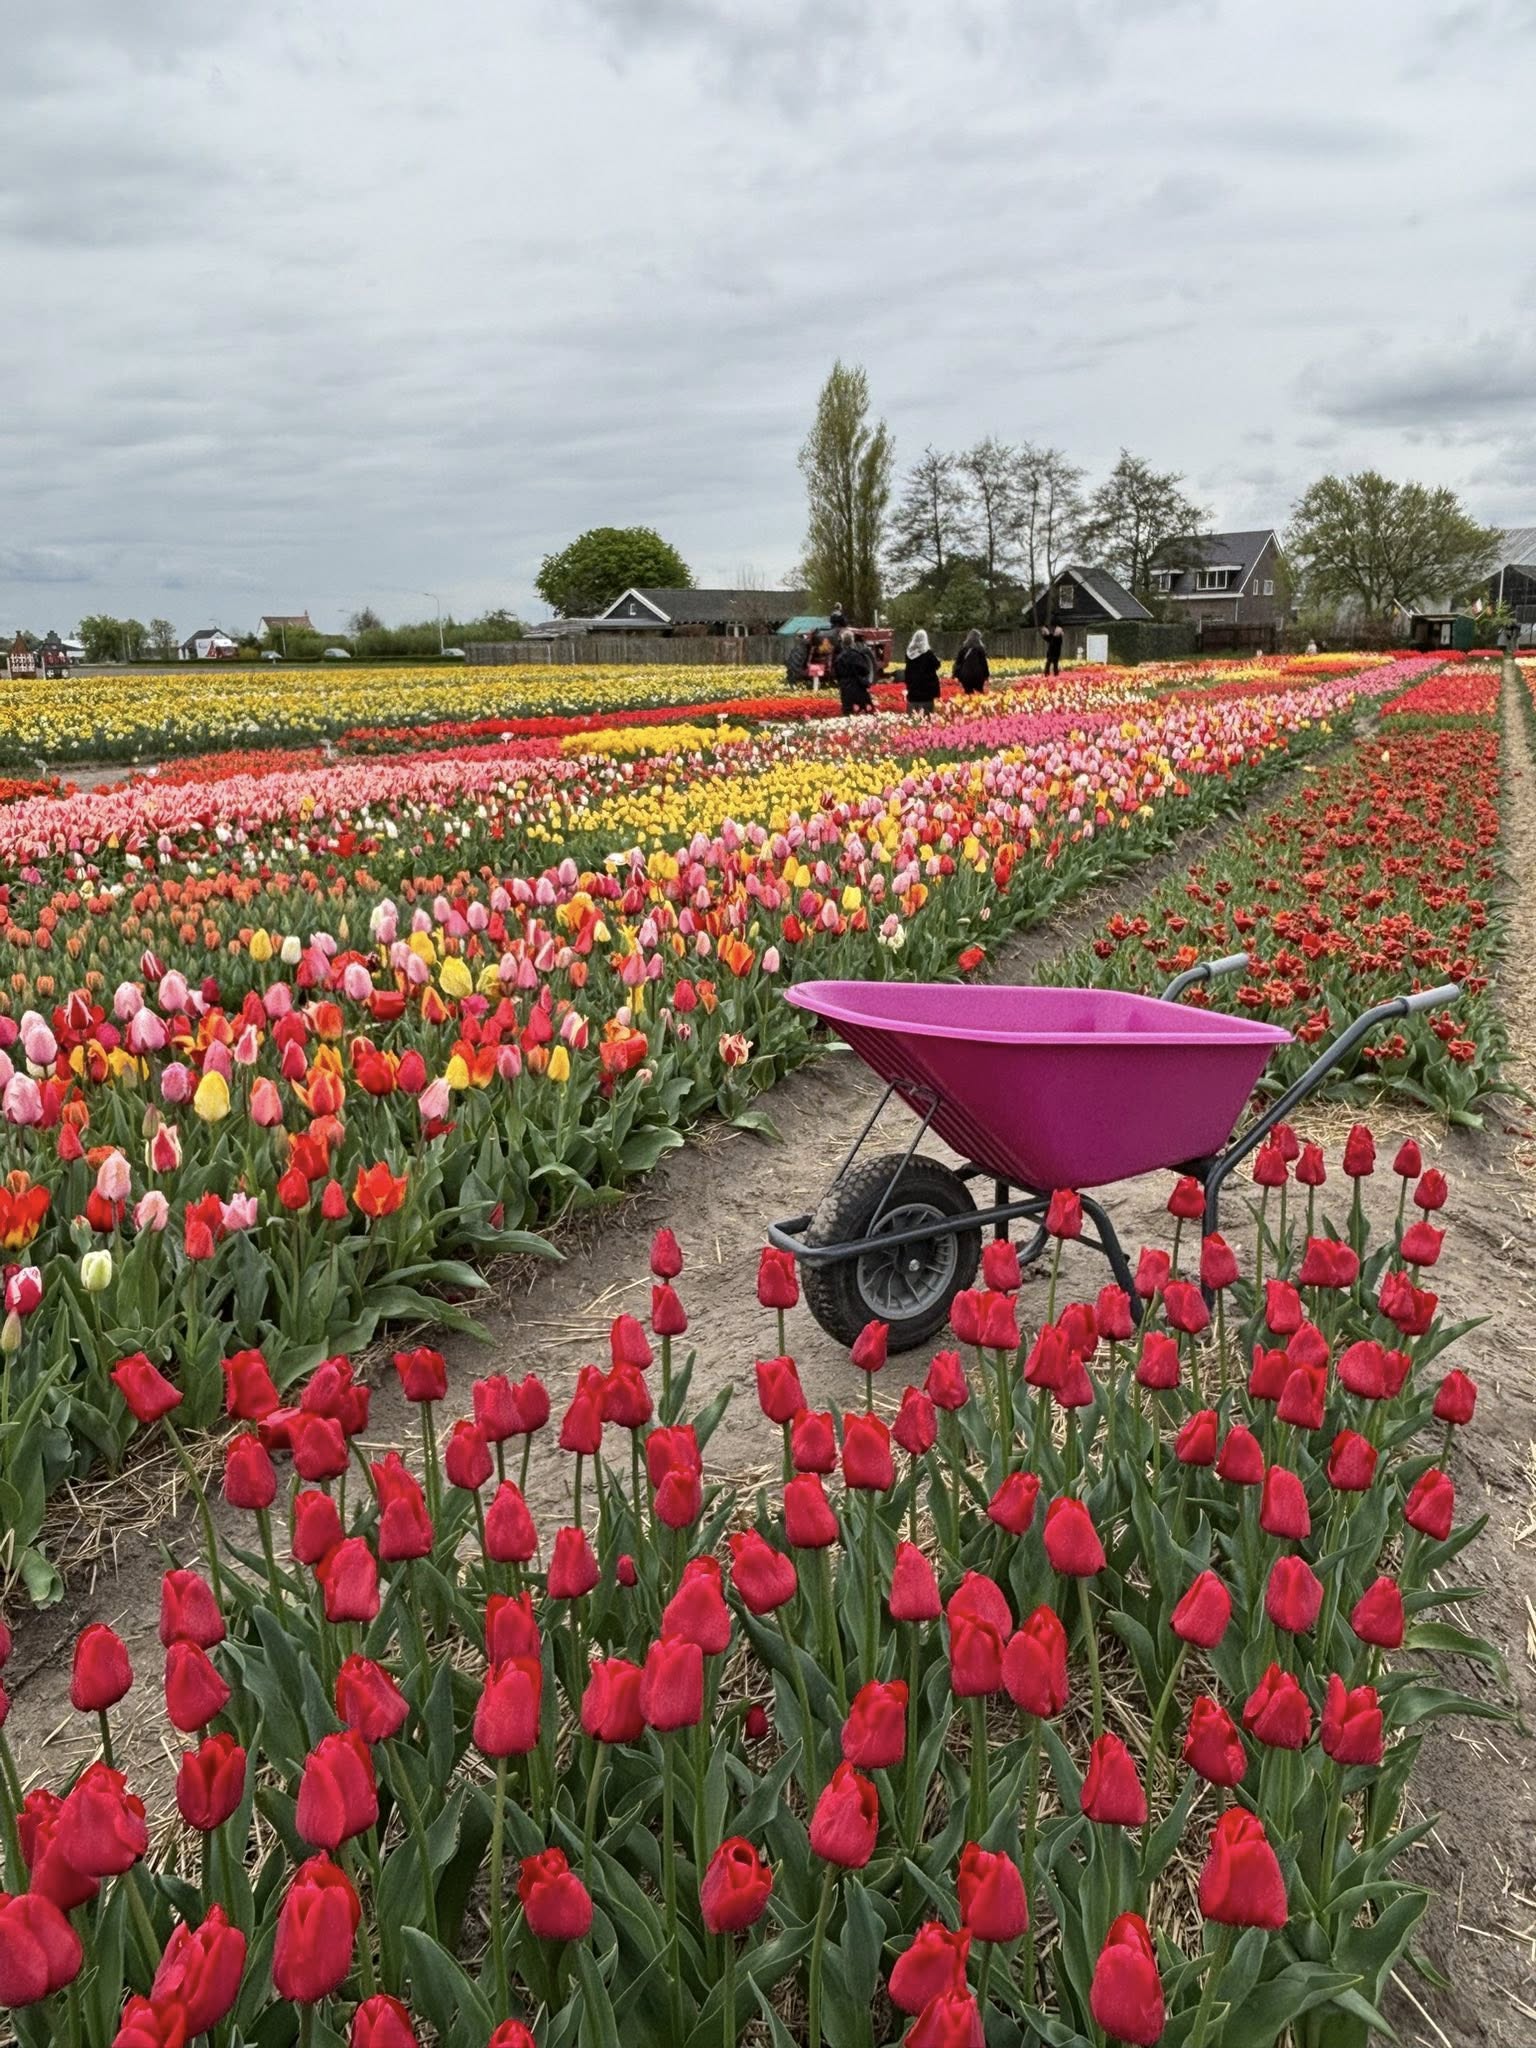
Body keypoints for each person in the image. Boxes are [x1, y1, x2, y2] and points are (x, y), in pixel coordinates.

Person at [833, 627, 875, 714]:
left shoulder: (839, 658)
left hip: (845, 687)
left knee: (848, 711)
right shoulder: (857, 655)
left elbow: (837, 674)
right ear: (852, 641)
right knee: (865, 711)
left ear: (842, 642)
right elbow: (865, 670)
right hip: (858, 686)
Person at [903, 628, 941, 714]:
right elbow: (937, 665)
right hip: (926, 692)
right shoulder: (928, 654)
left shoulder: (909, 654)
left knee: (912, 717)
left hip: (913, 691)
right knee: (926, 717)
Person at [954, 628, 990, 694]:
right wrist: (986, 675)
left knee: (968, 693)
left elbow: (958, 662)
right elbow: (984, 664)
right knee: (979, 693)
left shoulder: (964, 649)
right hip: (978, 676)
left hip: (965, 675)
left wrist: (955, 675)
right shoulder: (980, 649)